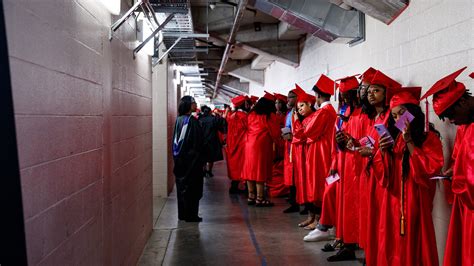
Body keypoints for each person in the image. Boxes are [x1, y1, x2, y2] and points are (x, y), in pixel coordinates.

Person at [373, 87, 443, 265]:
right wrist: (383, 152)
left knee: (414, 241)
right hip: (393, 199)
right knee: (392, 242)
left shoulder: (429, 138)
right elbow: (385, 175)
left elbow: (429, 170)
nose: (398, 120)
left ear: (412, 112)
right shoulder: (395, 139)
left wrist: (409, 141)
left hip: (415, 199)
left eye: (402, 113)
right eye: (394, 116)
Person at [420, 67, 473, 266]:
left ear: (464, 100)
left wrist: (458, 176)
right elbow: (460, 158)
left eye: (451, 114)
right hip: (467, 205)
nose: (451, 121)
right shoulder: (465, 126)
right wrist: (453, 169)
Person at [242, 92, 281, 207]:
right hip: (261, 145)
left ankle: (251, 196)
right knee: (260, 171)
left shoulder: (251, 114)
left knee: (250, 170)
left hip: (249, 144)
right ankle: (260, 199)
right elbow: (275, 133)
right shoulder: (269, 116)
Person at [172, 96, 205, 222]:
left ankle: (183, 214)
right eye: (193, 103)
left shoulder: (179, 120)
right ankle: (191, 215)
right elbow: (198, 143)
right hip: (192, 161)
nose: (195, 104)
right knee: (193, 188)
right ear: (188, 105)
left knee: (182, 188)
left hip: (180, 160)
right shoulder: (192, 121)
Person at [266, 93, 290, 198]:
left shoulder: (287, 115)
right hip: (275, 142)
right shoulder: (273, 115)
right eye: (276, 102)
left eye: (279, 102)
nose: (277, 105)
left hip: (284, 141)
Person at [282, 87, 300, 213]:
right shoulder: (289, 114)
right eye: (288, 97)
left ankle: (303, 203)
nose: (288, 99)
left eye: (291, 97)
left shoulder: (301, 112)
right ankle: (294, 202)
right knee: (292, 175)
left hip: (298, 146)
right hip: (290, 146)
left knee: (300, 175)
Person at [226, 95, 250, 194]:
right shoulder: (244, 116)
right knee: (243, 166)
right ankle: (246, 187)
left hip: (232, 143)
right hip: (242, 144)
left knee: (234, 166)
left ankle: (234, 186)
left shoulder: (232, 116)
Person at [198, 105, 226, 178]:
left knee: (203, 157)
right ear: (210, 112)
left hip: (202, 141)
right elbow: (222, 126)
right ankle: (209, 171)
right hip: (212, 140)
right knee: (211, 158)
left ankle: (203, 171)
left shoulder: (200, 119)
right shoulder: (214, 119)